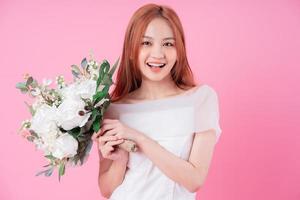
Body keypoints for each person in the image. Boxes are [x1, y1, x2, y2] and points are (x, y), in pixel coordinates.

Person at [92, 3, 222, 200]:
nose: (158, 54)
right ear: (130, 50)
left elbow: (194, 179)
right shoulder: (113, 109)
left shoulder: (200, 99)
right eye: (146, 43)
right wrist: (120, 159)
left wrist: (138, 138)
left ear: (179, 51)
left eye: (168, 44)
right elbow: (107, 190)